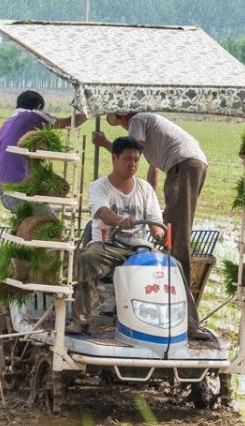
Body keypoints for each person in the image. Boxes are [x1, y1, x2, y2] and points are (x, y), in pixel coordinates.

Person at [91, 111, 212, 339]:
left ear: (124, 117)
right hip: (189, 165)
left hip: (183, 166)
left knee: (176, 242)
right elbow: (150, 171)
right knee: (170, 232)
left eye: (120, 124)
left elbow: (131, 155)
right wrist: (152, 202)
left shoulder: (138, 120)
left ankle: (187, 320)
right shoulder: (154, 132)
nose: (123, 129)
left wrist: (105, 143)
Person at [70, 137, 163, 333]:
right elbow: (103, 211)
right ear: (114, 158)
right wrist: (120, 221)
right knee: (87, 258)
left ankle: (185, 323)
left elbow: (156, 223)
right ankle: (81, 318)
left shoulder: (145, 188)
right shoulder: (99, 187)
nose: (133, 164)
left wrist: (159, 233)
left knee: (174, 267)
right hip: (107, 246)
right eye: (128, 159)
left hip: (139, 248)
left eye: (137, 160)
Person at [0, 91, 87, 211]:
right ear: (38, 107)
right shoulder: (32, 115)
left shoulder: (6, 124)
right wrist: (91, 112)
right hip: (20, 192)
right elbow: (69, 122)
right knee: (51, 222)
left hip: (4, 191)